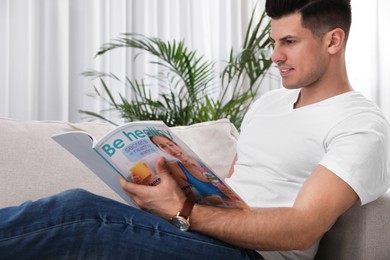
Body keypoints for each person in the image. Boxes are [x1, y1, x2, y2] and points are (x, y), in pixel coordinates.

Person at [0, 0, 389, 259]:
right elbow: (235, 189)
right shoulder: (269, 104)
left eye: (289, 42)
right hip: (199, 235)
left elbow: (302, 228)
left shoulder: (360, 125)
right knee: (82, 210)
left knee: (79, 212)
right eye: (274, 41)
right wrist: (182, 181)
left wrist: (182, 210)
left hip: (248, 255)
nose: (275, 56)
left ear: (333, 40)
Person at [148, 134, 243, 207]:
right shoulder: (175, 168)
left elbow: (233, 195)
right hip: (217, 212)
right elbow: (190, 202)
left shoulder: (200, 157)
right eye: (163, 147)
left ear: (177, 144)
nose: (171, 149)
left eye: (170, 144)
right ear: (160, 150)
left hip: (241, 204)